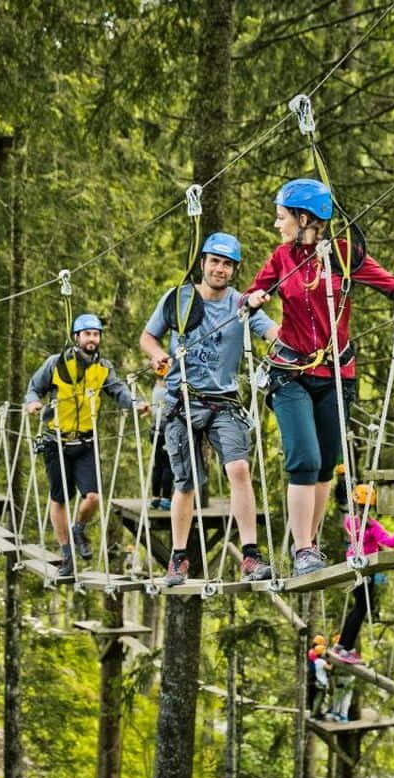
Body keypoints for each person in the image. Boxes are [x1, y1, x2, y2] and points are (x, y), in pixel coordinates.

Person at [244, 178, 394, 575]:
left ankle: (306, 553)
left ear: (304, 217)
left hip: (336, 373)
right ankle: (304, 548)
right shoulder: (281, 258)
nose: (278, 225)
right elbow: (250, 297)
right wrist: (254, 298)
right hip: (289, 373)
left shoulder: (346, 256)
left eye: (282, 217)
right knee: (304, 460)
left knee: (327, 463)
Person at [141, 231, 280, 586]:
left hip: (223, 402)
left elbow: (274, 334)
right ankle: (178, 558)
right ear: (203, 263)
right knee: (185, 483)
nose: (220, 269)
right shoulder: (178, 299)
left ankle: (250, 556)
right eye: (215, 262)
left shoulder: (241, 304)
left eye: (227, 264)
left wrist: (307, 339)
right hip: (180, 401)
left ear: (234, 270)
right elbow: (148, 336)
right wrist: (158, 355)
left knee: (239, 470)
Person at [25, 314, 148, 576]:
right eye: (87, 334)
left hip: (86, 441)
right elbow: (34, 388)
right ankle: (67, 554)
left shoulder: (103, 367)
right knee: (59, 499)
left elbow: (118, 391)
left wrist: (135, 404)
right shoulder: (56, 363)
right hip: (56, 441)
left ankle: (78, 527)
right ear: (76, 337)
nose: (92, 339)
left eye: (96, 334)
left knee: (92, 497)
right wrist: (33, 403)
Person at [333, 484, 394, 665]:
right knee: (361, 608)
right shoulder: (372, 526)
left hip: (352, 568)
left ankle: (342, 646)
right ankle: (344, 648)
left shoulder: (350, 522)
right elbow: (391, 542)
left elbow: (367, 541)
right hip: (364, 570)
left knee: (358, 607)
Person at [148, 379, 174, 511]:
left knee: (158, 465)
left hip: (155, 431)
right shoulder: (166, 391)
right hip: (166, 430)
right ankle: (165, 499)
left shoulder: (156, 389)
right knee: (168, 465)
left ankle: (155, 498)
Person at [306, 635, 330, 720]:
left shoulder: (311, 651)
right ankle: (315, 713)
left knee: (316, 696)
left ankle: (317, 712)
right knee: (317, 696)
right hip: (315, 677)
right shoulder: (314, 652)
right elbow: (319, 663)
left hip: (313, 676)